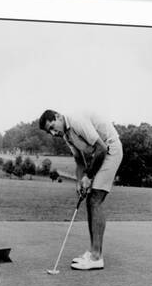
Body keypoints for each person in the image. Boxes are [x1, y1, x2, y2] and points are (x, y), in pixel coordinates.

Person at [39, 110, 123, 270]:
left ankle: (97, 257)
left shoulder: (76, 121)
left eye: (52, 127)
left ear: (57, 117)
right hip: (101, 154)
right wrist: (79, 181)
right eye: (49, 131)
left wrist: (88, 177)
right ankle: (93, 251)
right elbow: (79, 160)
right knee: (90, 199)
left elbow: (101, 149)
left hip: (111, 150)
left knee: (95, 198)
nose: (52, 132)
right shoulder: (66, 135)